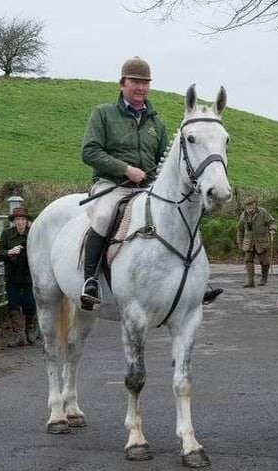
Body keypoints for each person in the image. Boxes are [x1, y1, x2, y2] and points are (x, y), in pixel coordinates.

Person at [80, 56, 222, 309]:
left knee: (182, 218)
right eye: (135, 81)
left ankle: (195, 281)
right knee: (103, 216)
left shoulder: (156, 123)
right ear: (122, 83)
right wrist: (125, 169)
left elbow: (165, 162)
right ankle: (89, 279)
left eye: (145, 83)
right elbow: (90, 152)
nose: (140, 87)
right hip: (111, 185)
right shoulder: (103, 114)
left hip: (146, 189)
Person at [0, 207, 36, 347]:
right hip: (12, 274)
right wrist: (9, 252)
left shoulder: (33, 234)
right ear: (14, 221)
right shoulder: (6, 234)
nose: (20, 222)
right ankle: (18, 335)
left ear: (27, 221)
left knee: (30, 303)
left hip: (29, 274)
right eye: (17, 219)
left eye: (23, 219)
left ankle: (29, 331)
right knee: (13, 304)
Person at [237, 197, 277, 287]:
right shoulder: (243, 215)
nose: (249, 207)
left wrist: (272, 229)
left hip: (261, 241)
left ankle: (264, 277)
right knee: (248, 260)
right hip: (248, 242)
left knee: (264, 261)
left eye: (251, 205)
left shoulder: (263, 212)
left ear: (255, 204)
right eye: (247, 205)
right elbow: (240, 230)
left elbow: (272, 222)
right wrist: (240, 242)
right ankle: (250, 281)